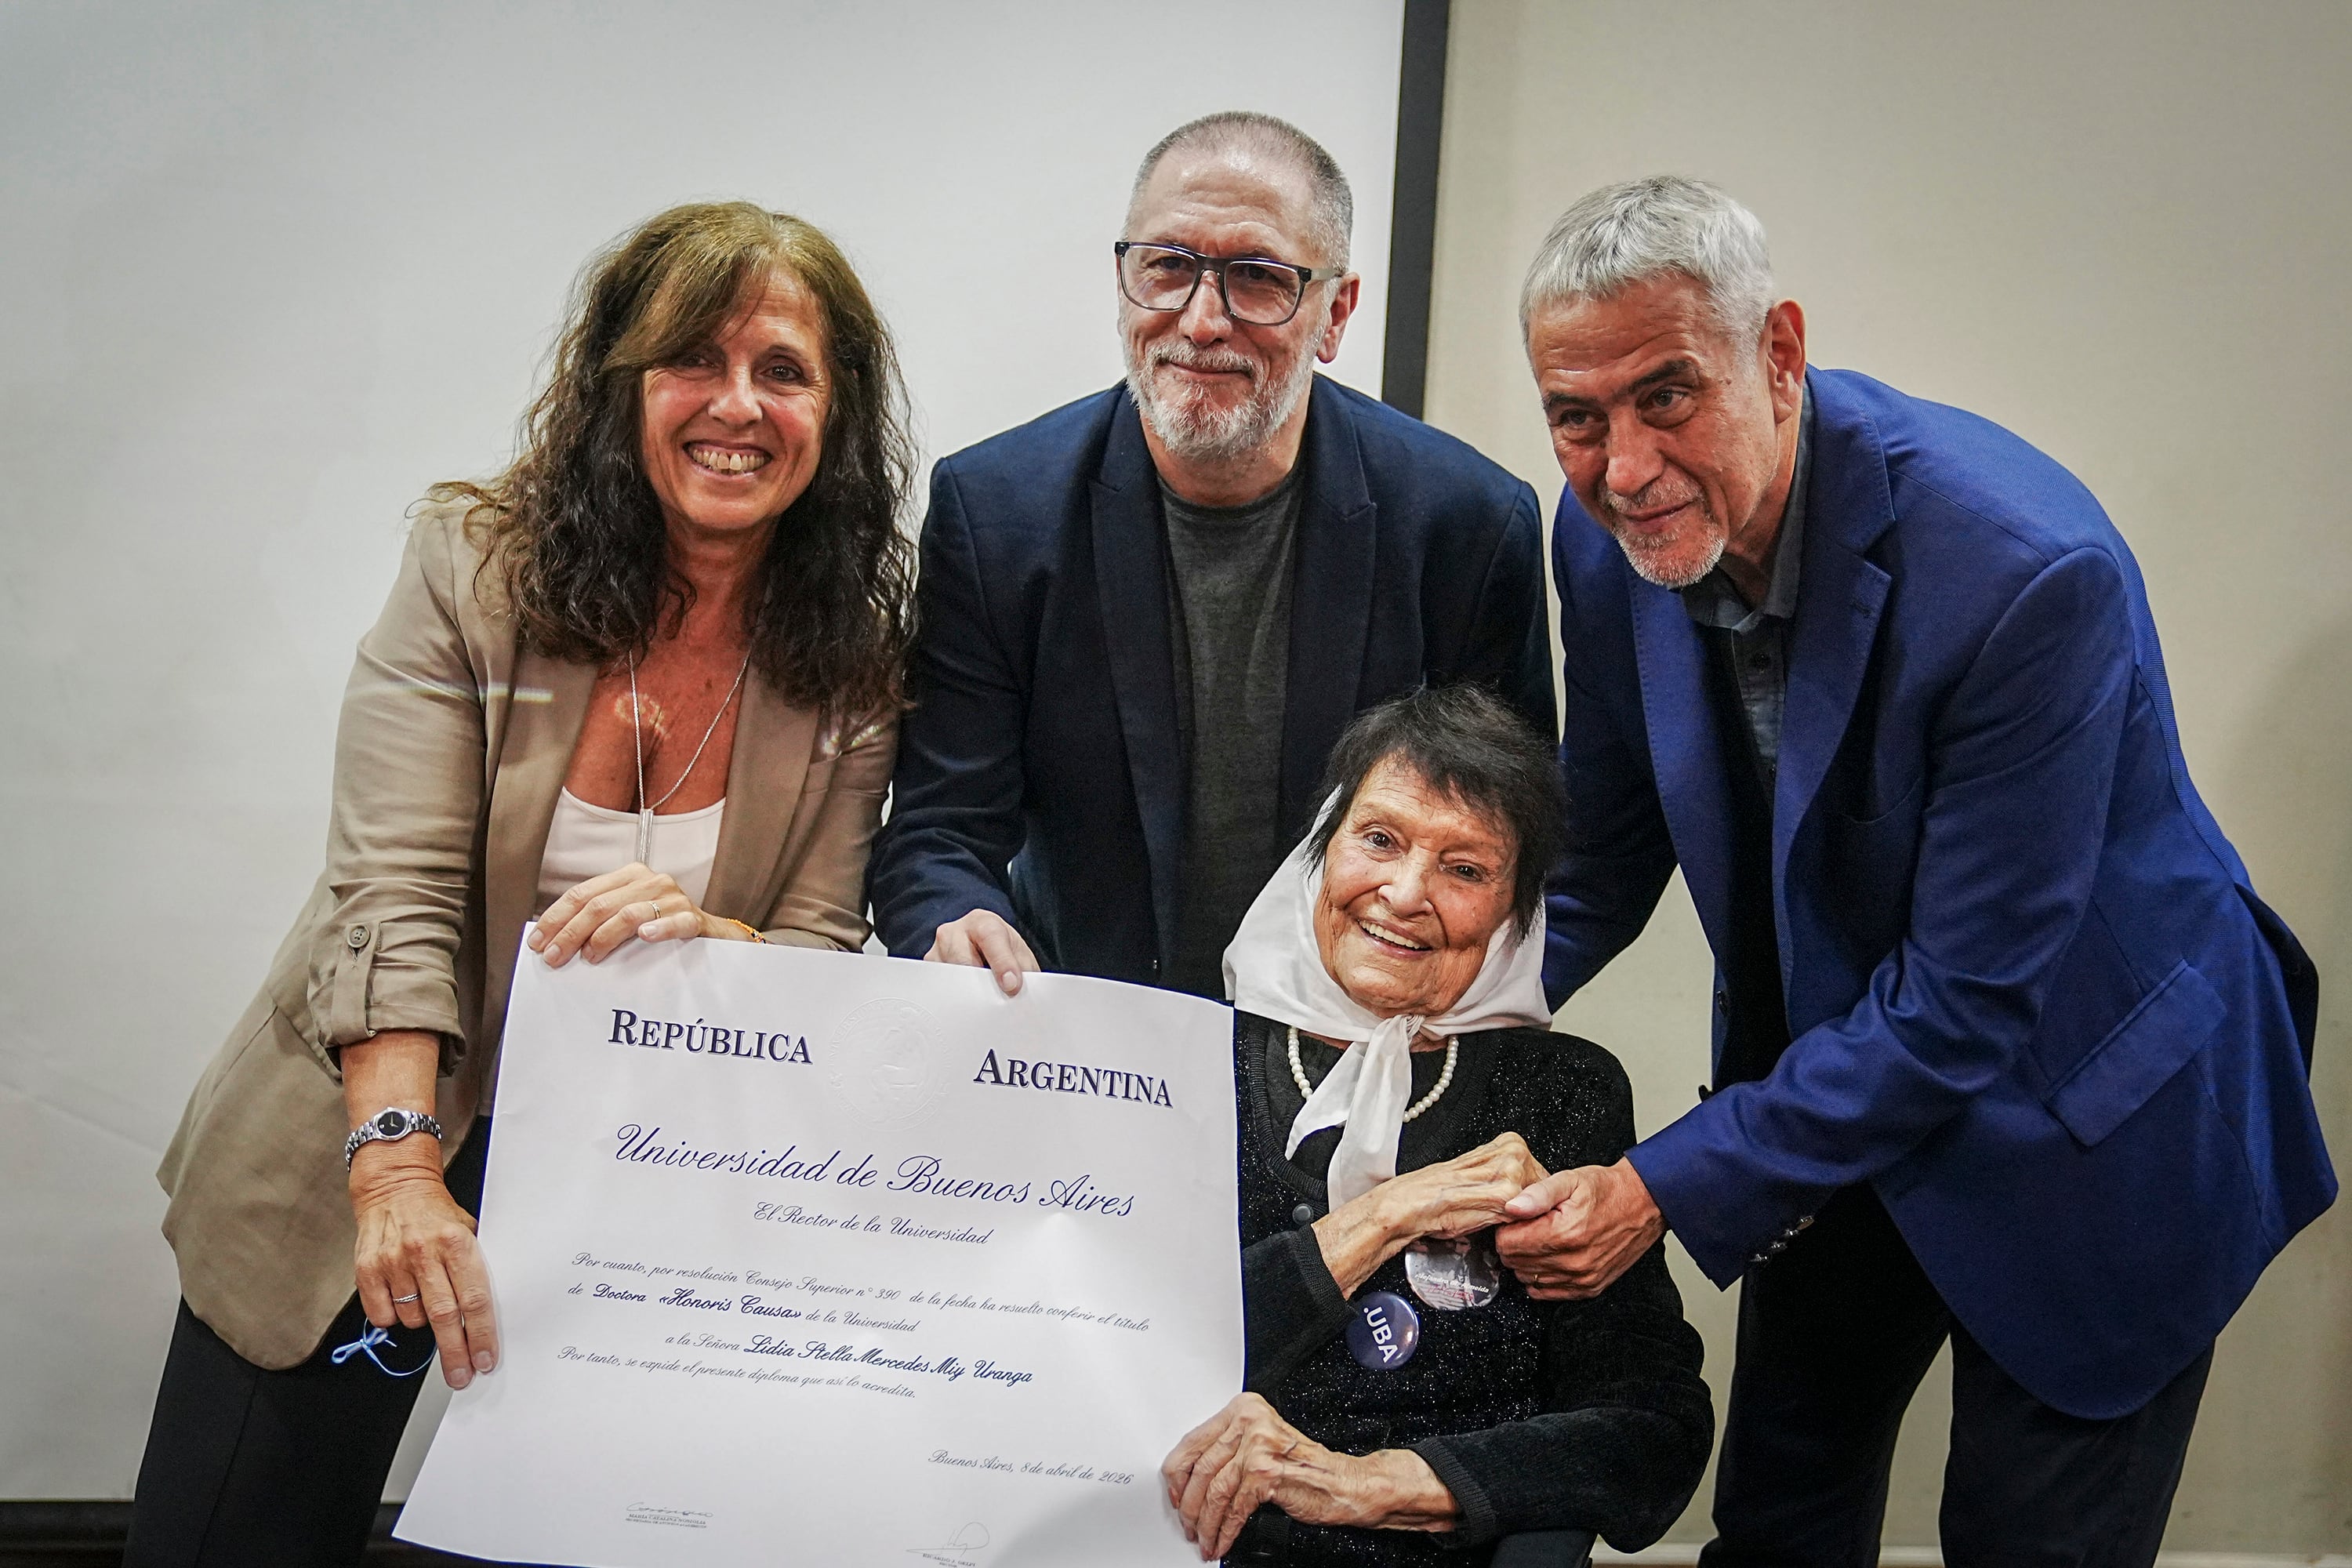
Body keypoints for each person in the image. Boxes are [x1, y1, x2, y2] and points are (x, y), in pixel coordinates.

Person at [1492, 176, 2336, 1566]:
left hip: (2091, 1116)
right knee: (1776, 1529)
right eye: (1574, 418)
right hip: (1837, 1100)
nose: (1623, 466)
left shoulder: (2024, 572)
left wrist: (1650, 1190)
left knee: (2021, 1544)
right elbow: (1607, 845)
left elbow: (1963, 1006)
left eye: (1666, 397)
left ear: (1778, 354)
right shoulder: (1602, 537)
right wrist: (1434, 1013)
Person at [125, 201, 917, 1566]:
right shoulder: (471, 568)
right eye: (694, 360)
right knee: (238, 1538)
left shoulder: (852, 657)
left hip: (637, 1202)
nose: (738, 406)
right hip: (372, 1142)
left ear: (834, 416)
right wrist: (396, 1170)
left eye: (784, 370)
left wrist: (717, 938)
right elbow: (395, 890)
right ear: (622, 385)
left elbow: (816, 943)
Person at [868, 111, 1553, 1000]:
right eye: (1168, 267)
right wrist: (957, 920)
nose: (1201, 319)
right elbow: (938, 831)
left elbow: (1511, 844)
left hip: (1349, 1050)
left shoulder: (1465, 524)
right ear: (1124, 284)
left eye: (1258, 279)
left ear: (1335, 312)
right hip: (1075, 1032)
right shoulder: (997, 513)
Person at [1165, 685, 1711, 1566]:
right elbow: (1120, 1350)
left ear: (1515, 910)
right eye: (1378, 839)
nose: (1406, 892)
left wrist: (1368, 1483)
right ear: (1321, 847)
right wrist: (1389, 1214)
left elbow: (1652, 1427)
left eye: (1465, 869)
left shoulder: (1563, 1092)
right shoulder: (1178, 1056)